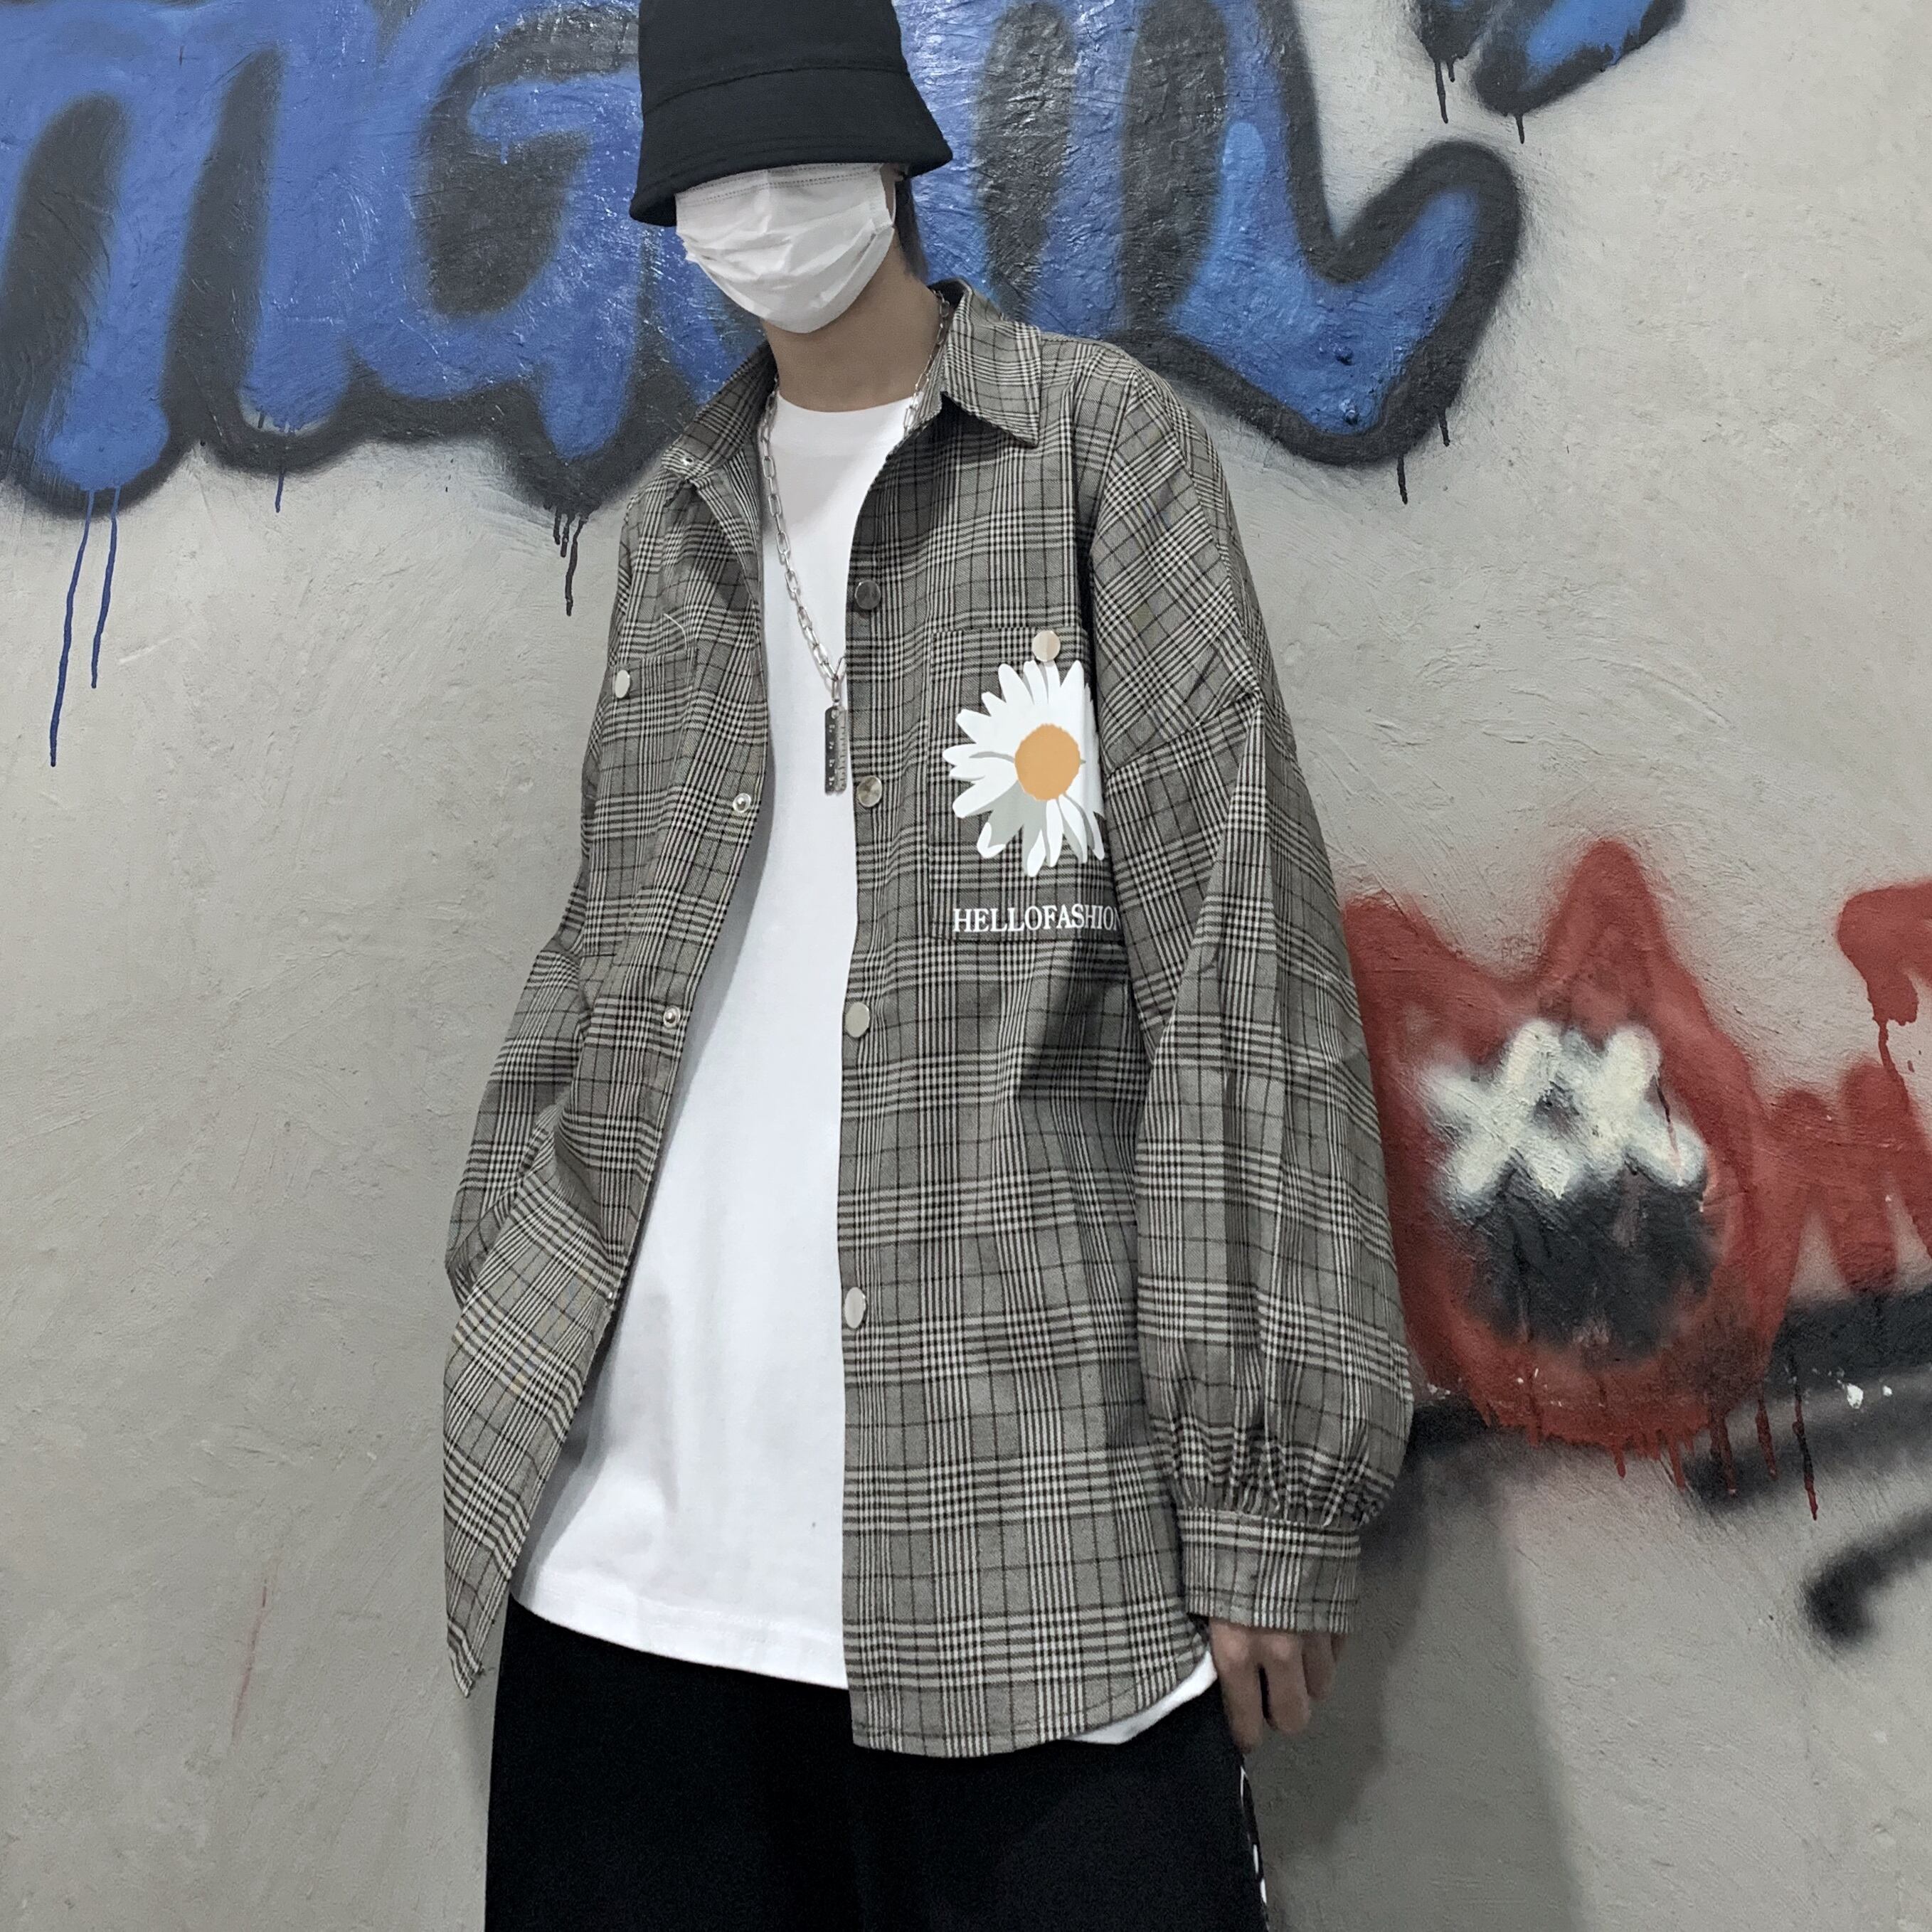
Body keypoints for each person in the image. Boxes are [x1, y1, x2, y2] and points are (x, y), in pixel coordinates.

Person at [443, 0, 1413, 1924]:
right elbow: (605, 956)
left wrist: (1264, 1487)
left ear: (895, 151)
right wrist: (501, 1254)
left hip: (1028, 1540)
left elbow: (1241, 964)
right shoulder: (682, 517)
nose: (758, 208)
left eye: (798, 156)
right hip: (625, 1556)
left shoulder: (1091, 452)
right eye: (708, 177)